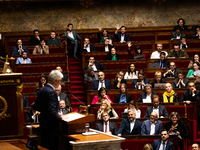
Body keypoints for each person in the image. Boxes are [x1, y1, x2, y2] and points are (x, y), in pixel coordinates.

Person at [32, 70, 64, 150]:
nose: (60, 83)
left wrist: (49, 111)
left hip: (43, 125)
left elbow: (36, 106)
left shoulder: (42, 90)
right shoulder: (51, 92)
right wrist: (61, 118)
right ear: (56, 80)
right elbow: (52, 113)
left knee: (44, 147)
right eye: (60, 81)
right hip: (51, 128)